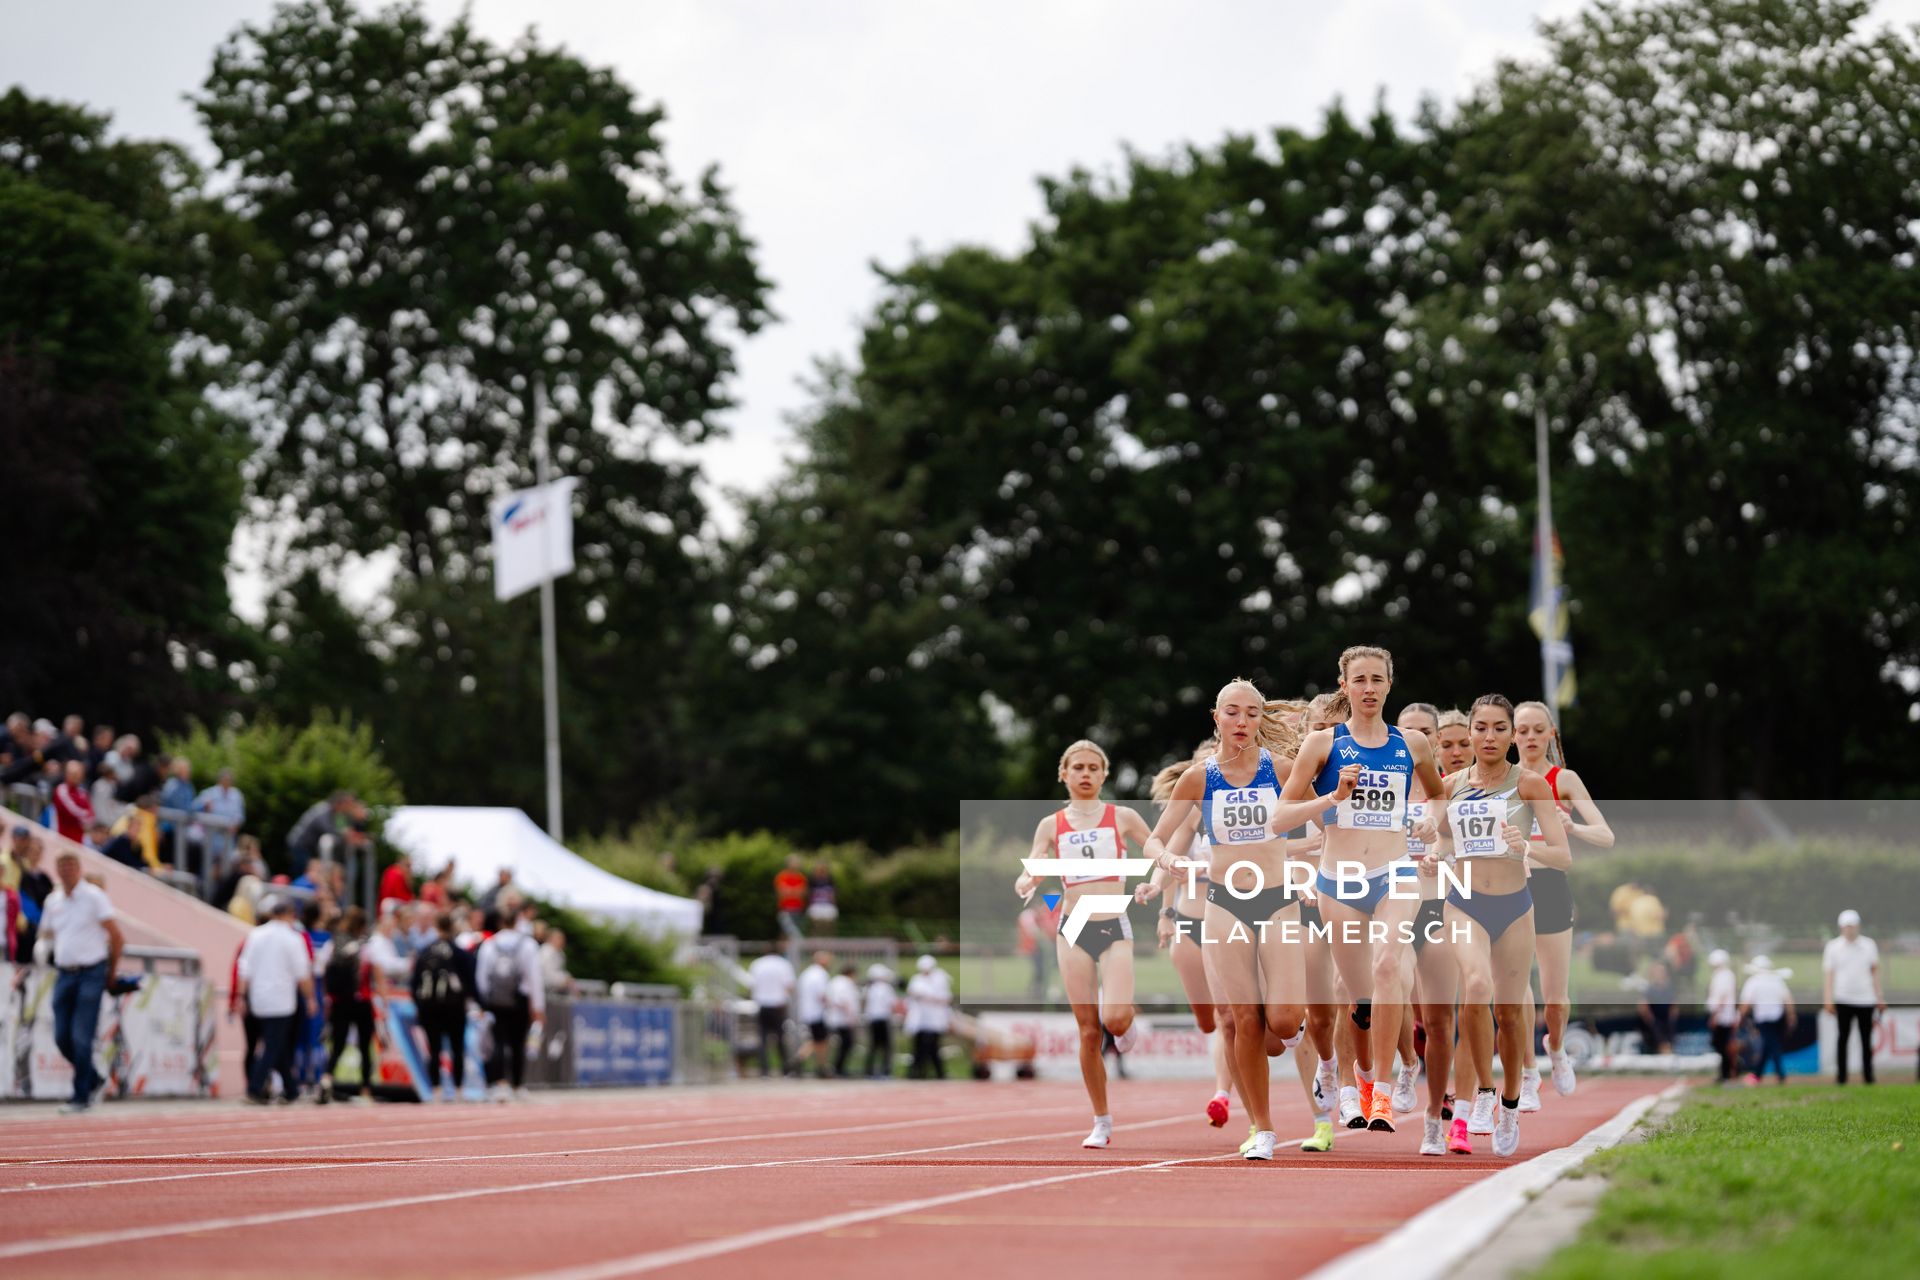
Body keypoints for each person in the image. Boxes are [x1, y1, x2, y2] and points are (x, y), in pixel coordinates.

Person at [1281, 649, 1450, 1143]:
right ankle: (1366, 1074)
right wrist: (1330, 798)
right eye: (1360, 680)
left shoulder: (1412, 743)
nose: (1369, 688)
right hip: (1340, 879)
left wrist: (1430, 826)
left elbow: (1438, 796)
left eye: (1378, 679)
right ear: (1345, 685)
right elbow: (1280, 815)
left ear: (1390, 685)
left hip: (1396, 871)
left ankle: (1386, 1083)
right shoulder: (1322, 743)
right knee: (1359, 1001)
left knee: (1386, 969)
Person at [1419, 693, 1568, 1158]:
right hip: (1464, 903)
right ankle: (1483, 1091)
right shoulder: (1450, 784)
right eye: (1480, 728)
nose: (1488, 737)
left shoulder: (1530, 785)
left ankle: (1509, 1101)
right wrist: (1433, 853)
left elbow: (1563, 855)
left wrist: (1526, 846)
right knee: (1475, 987)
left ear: (1511, 735)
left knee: (1508, 1011)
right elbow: (1442, 839)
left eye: (1499, 728)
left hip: (1516, 908)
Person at [1018, 738, 1167, 1146]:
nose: (1085, 774)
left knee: (1115, 1019)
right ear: (1064, 774)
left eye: (1093, 768)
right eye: (1077, 767)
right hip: (1073, 924)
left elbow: (1153, 846)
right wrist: (1028, 879)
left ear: (1104, 774)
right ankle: (1101, 1119)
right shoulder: (1051, 825)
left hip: (1112, 921)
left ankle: (1126, 1019)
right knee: (1088, 1030)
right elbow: (1034, 863)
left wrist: (1160, 867)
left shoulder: (1121, 816)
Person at [1513, 701, 1612, 1105]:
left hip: (1552, 885)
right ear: (1512, 734)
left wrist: (1572, 826)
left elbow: (1606, 835)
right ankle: (1527, 1072)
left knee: (1554, 998)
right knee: (1517, 988)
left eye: (1539, 730)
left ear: (1551, 733)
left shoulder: (1563, 778)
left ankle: (1555, 1051)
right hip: (1510, 885)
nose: (1531, 737)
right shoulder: (1502, 778)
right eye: (1523, 730)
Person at [1145, 740, 1237, 1130]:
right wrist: (1163, 908)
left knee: (1226, 1015)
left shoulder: (1238, 809)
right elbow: (1169, 859)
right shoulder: (1188, 815)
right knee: (1207, 1021)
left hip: (1227, 919)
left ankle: (1222, 1093)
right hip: (1186, 917)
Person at [34, 850, 125, 1113]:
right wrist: (42, 948)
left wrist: (110, 972)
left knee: (81, 1036)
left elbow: (116, 937)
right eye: (62, 866)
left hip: (91, 972)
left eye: (71, 865)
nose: (67, 871)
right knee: (62, 1036)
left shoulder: (95, 897)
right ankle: (94, 1079)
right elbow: (47, 933)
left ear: (79, 868)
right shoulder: (53, 900)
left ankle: (80, 1096)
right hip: (64, 972)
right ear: (57, 870)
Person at [238, 898, 317, 1104]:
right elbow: (302, 972)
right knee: (273, 1046)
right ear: (290, 915)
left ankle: (291, 1089)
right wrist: (310, 998)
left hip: (258, 997)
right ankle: (255, 1087)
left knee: (277, 1044)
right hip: (281, 999)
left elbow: (244, 968)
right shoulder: (293, 938)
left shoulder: (256, 935)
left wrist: (241, 996)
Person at [475, 904, 545, 1100]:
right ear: (517, 921)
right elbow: (534, 978)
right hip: (519, 999)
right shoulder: (527, 945)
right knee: (517, 1043)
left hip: (495, 1000)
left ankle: (499, 1084)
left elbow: (482, 976)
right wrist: (538, 1006)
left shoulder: (490, 944)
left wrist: (483, 1002)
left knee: (497, 1042)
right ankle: (517, 1084)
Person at [411, 914, 472, 1102]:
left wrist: (419, 1005)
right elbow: (470, 980)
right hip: (454, 1007)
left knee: (434, 1049)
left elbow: (414, 982)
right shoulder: (459, 952)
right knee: (457, 1049)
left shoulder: (425, 951)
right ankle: (458, 1089)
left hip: (430, 1008)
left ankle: (435, 1090)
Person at [319, 906, 375, 1103]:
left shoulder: (333, 943)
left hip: (340, 1001)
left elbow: (322, 969)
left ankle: (326, 1079)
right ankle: (366, 1089)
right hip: (362, 1000)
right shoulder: (366, 944)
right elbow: (377, 970)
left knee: (338, 1045)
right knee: (365, 1045)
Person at [1824, 909, 1884, 1085]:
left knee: (1866, 1040)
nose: (1849, 930)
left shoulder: (1869, 945)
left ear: (1857, 926)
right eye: (1846, 927)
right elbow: (1829, 975)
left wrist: (1879, 997)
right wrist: (1828, 999)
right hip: (1843, 998)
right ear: (1841, 928)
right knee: (1843, 1038)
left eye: (1852, 926)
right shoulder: (1833, 947)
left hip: (1866, 999)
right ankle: (1841, 1078)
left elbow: (1874, 974)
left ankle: (1868, 1077)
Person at [1738, 956, 1796, 1084]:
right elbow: (1788, 999)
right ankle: (1758, 1075)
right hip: (1778, 1018)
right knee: (1768, 1045)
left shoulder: (1753, 981)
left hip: (1763, 1019)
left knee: (1772, 1045)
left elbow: (1746, 1003)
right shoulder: (1777, 980)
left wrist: (1739, 1017)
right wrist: (1791, 1016)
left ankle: (1779, 1074)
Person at [746, 948, 796, 1077]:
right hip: (778, 1005)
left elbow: (751, 984)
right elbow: (789, 986)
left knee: (762, 1038)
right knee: (780, 1038)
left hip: (762, 1004)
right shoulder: (783, 964)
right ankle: (785, 1069)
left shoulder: (757, 964)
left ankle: (764, 1070)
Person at [905, 955, 952, 1080]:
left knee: (933, 1047)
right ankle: (917, 1071)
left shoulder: (940, 978)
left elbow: (945, 998)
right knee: (919, 1047)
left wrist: (927, 997)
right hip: (920, 1020)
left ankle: (938, 1072)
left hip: (935, 1019)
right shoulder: (916, 979)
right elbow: (911, 995)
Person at [795, 950, 834, 1077]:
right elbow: (821, 995)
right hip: (817, 1012)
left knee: (816, 1040)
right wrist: (831, 1005)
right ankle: (821, 1067)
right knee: (821, 1040)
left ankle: (800, 1058)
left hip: (806, 1011)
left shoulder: (806, 973)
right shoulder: (820, 974)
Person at [1705, 948, 1740, 1084]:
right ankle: (1725, 1073)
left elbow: (1722, 997)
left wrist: (1715, 1014)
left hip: (1723, 1016)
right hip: (1724, 1015)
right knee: (1721, 1045)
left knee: (1721, 1044)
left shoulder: (1724, 976)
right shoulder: (1725, 975)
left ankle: (1727, 1073)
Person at [826, 963, 861, 1077]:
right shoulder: (844, 983)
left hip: (836, 1018)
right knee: (847, 1044)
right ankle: (838, 1068)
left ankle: (837, 1067)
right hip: (842, 1019)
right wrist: (850, 1015)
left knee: (843, 1044)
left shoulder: (835, 982)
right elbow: (842, 1000)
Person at [864, 964, 898, 1077]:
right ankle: (885, 1070)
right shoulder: (886, 988)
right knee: (886, 1046)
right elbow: (893, 1004)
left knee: (873, 1046)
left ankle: (869, 1070)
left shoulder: (870, 988)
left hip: (872, 1019)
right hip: (883, 1019)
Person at [52, 760, 95, 844]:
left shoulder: (82, 792)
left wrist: (86, 817)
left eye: (78, 774)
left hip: (79, 841)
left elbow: (91, 816)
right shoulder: (61, 790)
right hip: (61, 837)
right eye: (73, 774)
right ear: (66, 774)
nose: (76, 777)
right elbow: (72, 811)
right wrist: (84, 815)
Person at [774, 855, 808, 942]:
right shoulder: (781, 876)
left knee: (795, 930)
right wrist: (795, 891)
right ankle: (782, 954)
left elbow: (802, 893)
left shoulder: (801, 877)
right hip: (785, 909)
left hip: (798, 909)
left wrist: (790, 891)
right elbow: (782, 893)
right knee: (786, 932)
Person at [806, 859, 839, 935]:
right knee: (815, 923)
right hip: (815, 905)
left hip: (827, 905)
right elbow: (808, 895)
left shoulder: (830, 880)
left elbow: (833, 895)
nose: (821, 871)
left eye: (823, 869)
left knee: (831, 917)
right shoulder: (812, 881)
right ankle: (814, 942)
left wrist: (834, 904)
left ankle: (828, 942)